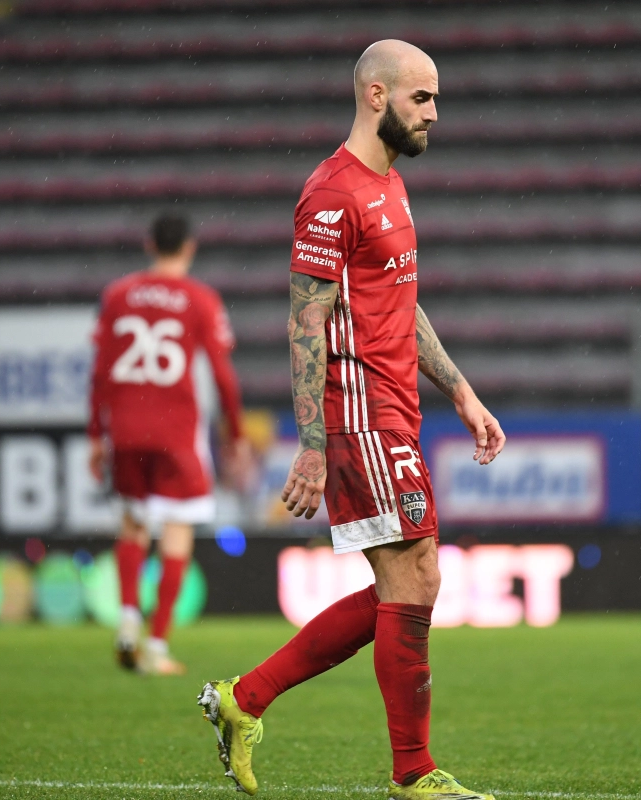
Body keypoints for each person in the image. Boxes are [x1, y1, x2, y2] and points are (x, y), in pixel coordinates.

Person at [198, 40, 506, 799]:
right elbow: (306, 322)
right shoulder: (330, 193)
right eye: (421, 98)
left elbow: (398, 299)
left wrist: (461, 390)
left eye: (435, 98)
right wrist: (310, 444)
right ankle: (415, 773)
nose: (435, 112)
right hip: (359, 416)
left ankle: (246, 700)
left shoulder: (390, 186)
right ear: (376, 96)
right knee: (416, 578)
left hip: (397, 409)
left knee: (411, 586)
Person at [88, 212, 249, 676]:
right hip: (175, 429)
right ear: (190, 248)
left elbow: (99, 371)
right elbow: (222, 375)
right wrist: (235, 436)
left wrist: (94, 436)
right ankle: (156, 645)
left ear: (148, 244)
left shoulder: (117, 295)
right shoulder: (199, 299)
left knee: (134, 522)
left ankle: (125, 621)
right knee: (178, 528)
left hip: (124, 428)